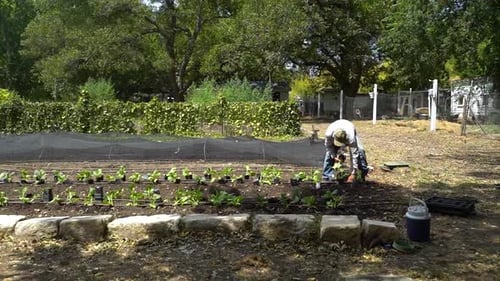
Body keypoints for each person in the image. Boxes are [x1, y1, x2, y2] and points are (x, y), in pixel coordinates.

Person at [322, 119, 370, 183]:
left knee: (360, 151)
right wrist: (334, 156)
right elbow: (328, 147)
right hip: (337, 126)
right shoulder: (329, 134)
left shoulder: (351, 137)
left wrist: (353, 173)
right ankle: (327, 175)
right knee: (329, 154)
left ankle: (362, 173)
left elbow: (354, 154)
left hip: (349, 126)